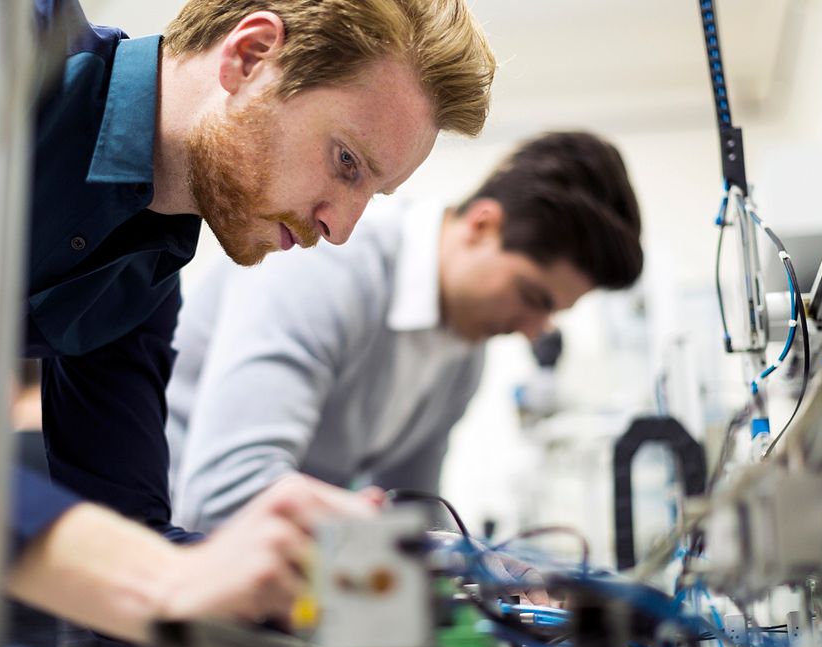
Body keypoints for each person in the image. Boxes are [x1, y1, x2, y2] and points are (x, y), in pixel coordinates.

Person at [0, 0, 495, 643]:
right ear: (250, 56)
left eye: (370, 195)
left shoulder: (140, 283)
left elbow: (130, 532)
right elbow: (144, 570)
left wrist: (351, 579)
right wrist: (150, 575)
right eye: (346, 162)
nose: (341, 227)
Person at [166, 131, 643, 534]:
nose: (534, 331)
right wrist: (436, 555)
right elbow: (223, 495)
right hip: (153, 568)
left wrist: (482, 567)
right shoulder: (328, 264)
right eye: (533, 297)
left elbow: (415, 511)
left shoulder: (463, 355)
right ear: (482, 225)